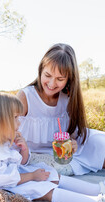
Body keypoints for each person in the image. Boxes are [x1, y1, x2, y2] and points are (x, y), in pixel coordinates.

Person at [0, 90, 105, 202]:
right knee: (46, 189)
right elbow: (4, 179)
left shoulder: (5, 139)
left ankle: (98, 190)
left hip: (18, 177)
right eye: (15, 118)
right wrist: (32, 176)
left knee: (50, 173)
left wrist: (24, 149)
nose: (19, 123)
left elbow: (22, 163)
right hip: (5, 188)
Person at [17, 43, 105, 176]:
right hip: (32, 152)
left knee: (100, 144)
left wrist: (73, 142)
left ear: (69, 79)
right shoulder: (26, 97)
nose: (52, 84)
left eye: (60, 79)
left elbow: (72, 133)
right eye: (47, 75)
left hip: (61, 151)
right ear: (40, 70)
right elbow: (6, 128)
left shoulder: (68, 98)